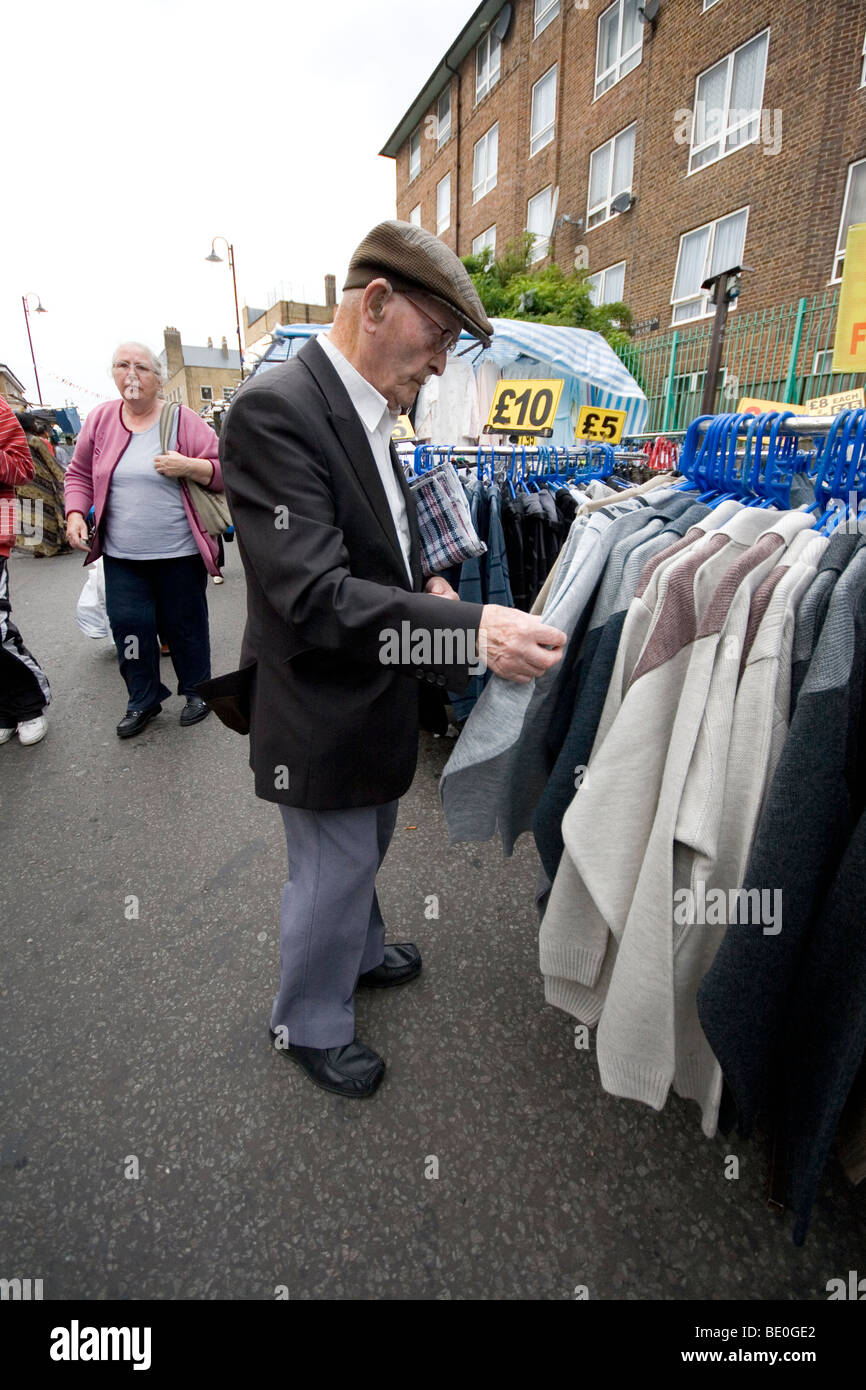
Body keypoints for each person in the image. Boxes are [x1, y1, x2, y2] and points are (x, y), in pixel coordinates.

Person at [203, 220, 567, 1100]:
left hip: (368, 685)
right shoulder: (274, 409)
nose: (442, 362)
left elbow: (377, 540)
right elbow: (314, 594)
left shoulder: (370, 406)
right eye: (439, 337)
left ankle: (357, 954)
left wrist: (433, 580)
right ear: (376, 304)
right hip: (318, 703)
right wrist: (467, 630)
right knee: (329, 870)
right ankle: (310, 1019)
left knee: (359, 849)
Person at [64, 342, 224, 737]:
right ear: (114, 373)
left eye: (141, 367)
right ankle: (143, 698)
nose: (131, 374)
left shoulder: (183, 420)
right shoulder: (100, 420)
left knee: (185, 626)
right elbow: (79, 474)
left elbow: (227, 469)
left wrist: (190, 465)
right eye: (122, 365)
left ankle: (198, 691)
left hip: (180, 553)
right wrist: (73, 515)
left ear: (157, 379)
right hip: (122, 557)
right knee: (130, 628)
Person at [0, 398, 51, 744]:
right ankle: (5, 707)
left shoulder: (3, 414)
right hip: (30, 503)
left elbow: (27, 470)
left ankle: (29, 702)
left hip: (26, 504)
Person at [14, 412, 69, 558]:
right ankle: (51, 547)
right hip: (42, 484)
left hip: (23, 484)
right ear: (29, 424)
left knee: (30, 516)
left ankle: (37, 549)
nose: (36, 425)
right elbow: (50, 462)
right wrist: (62, 477)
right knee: (47, 515)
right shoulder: (35, 441)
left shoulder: (13, 442)